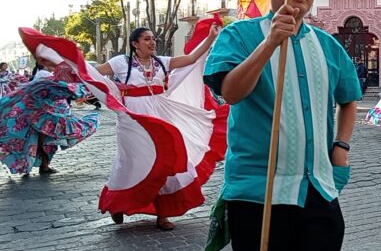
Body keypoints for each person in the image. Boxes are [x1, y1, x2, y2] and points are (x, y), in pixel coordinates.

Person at [202, 0, 361, 251]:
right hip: (258, 193)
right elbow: (231, 93)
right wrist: (271, 42)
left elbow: (349, 99)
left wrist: (340, 149)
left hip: (318, 189)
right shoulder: (238, 36)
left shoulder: (328, 45)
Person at [18, 16, 227, 232]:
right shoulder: (120, 63)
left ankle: (163, 215)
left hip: (159, 115)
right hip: (132, 119)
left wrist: (210, 38)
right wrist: (64, 64)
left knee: (166, 161)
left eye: (153, 39)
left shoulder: (161, 62)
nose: (152, 42)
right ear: (135, 43)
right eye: (147, 39)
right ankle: (118, 204)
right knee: (131, 163)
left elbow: (191, 59)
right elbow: (91, 72)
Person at [0, 58, 99, 175]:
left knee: (42, 141)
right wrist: (82, 88)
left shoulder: (42, 74)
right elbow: (60, 87)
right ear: (44, 63)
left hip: (43, 116)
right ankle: (44, 166)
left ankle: (40, 165)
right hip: (45, 116)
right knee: (45, 141)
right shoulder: (44, 74)